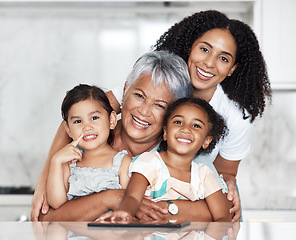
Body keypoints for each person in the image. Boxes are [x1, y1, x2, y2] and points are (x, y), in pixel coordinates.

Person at [107, 10, 272, 221]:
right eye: (204, 49)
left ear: (232, 69)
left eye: (223, 58)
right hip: (152, 186)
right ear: (190, 47)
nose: (209, 63)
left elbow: (223, 175)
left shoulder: (236, 116)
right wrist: (49, 172)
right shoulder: (156, 82)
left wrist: (228, 187)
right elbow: (85, 113)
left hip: (202, 193)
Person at [31, 50, 203, 222]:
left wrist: (160, 207)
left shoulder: (180, 152)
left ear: (173, 113)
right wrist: (110, 199)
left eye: (159, 105)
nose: (143, 111)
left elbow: (215, 209)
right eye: (139, 96)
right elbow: (46, 218)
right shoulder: (89, 137)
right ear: (125, 89)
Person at [99, 98, 231, 223]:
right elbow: (132, 196)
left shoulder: (204, 174)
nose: (185, 129)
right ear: (166, 132)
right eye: (178, 122)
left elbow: (222, 218)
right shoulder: (150, 162)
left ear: (206, 141)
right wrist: (125, 212)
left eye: (196, 125)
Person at [46, 84, 132, 210]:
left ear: (112, 120)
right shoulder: (68, 165)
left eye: (94, 118)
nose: (86, 127)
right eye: (77, 121)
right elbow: (56, 204)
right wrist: (56, 161)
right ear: (68, 130)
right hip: (74, 229)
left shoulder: (123, 163)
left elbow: (129, 206)